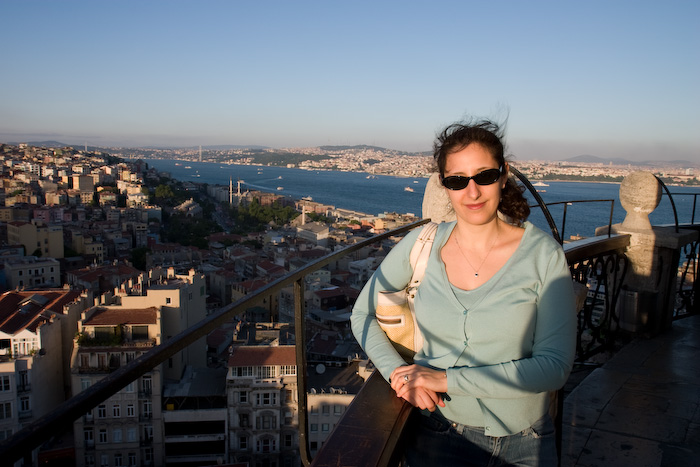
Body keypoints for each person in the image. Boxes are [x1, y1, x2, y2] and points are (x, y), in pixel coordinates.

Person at [350, 120, 577, 466]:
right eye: (458, 181)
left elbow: (555, 367)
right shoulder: (422, 245)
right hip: (437, 434)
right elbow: (361, 314)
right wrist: (398, 373)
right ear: (445, 186)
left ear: (504, 175)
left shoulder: (543, 257)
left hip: (524, 442)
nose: (472, 192)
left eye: (484, 176)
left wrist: (444, 379)